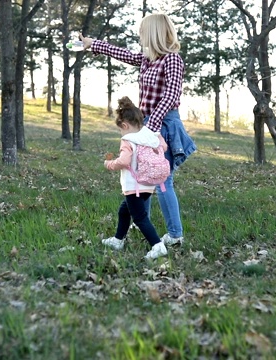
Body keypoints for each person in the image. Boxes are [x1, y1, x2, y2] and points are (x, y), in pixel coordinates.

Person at [81, 13, 196, 246]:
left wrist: (151, 128)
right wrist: (94, 44)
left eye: (143, 31)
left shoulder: (172, 60)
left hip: (163, 124)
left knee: (163, 181)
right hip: (148, 124)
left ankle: (175, 235)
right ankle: (145, 224)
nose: (140, 35)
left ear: (153, 33)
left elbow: (172, 95)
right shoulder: (146, 59)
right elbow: (123, 54)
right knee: (144, 176)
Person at [103, 96, 169, 260]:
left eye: (121, 129)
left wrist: (110, 164)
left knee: (140, 218)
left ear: (124, 125)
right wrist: (159, 138)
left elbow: (124, 161)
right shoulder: (150, 136)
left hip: (134, 187)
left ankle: (157, 245)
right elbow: (164, 147)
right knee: (124, 211)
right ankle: (118, 240)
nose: (121, 133)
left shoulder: (128, 140)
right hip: (149, 185)